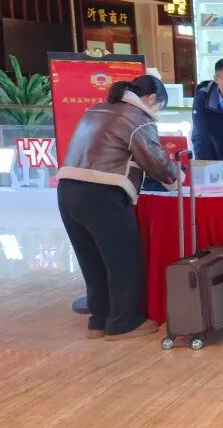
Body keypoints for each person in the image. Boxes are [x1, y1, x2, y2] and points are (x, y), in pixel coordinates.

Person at [57, 76, 178, 341]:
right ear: (152, 99)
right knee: (123, 260)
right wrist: (177, 178)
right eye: (160, 107)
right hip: (102, 193)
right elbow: (157, 162)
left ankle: (98, 321)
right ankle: (124, 323)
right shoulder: (137, 119)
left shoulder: (97, 110)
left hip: (67, 190)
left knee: (92, 262)